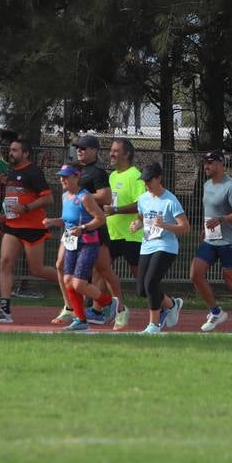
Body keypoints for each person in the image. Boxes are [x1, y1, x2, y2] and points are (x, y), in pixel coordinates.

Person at [0, 137, 58, 324]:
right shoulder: (10, 173)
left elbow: (48, 199)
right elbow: (13, 201)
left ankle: (74, 285)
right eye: (10, 150)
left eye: (15, 150)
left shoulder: (34, 172)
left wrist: (26, 209)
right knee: (5, 262)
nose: (11, 153)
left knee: (37, 269)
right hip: (13, 226)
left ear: (26, 153)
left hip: (32, 227)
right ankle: (5, 309)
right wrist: (3, 216)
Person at [53, 134, 123, 327]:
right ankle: (73, 308)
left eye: (84, 148)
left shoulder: (97, 172)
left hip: (92, 229)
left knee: (103, 270)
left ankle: (116, 308)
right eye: (78, 148)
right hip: (72, 230)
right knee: (63, 268)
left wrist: (82, 195)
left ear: (94, 150)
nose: (80, 150)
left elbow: (106, 197)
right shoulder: (76, 168)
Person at [43, 164, 117, 332]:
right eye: (61, 176)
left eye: (66, 176)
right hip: (71, 243)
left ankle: (108, 303)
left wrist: (83, 228)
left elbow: (100, 219)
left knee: (78, 284)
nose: (63, 179)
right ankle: (81, 320)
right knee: (68, 281)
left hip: (88, 243)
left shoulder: (85, 197)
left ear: (77, 177)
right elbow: (68, 219)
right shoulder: (64, 197)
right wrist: (53, 221)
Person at [190, 150, 232, 333]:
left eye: (210, 163)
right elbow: (210, 211)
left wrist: (222, 220)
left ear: (220, 164)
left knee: (231, 281)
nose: (206, 166)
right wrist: (206, 229)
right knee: (195, 273)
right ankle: (216, 311)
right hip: (211, 239)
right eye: (205, 163)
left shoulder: (230, 186)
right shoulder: (207, 184)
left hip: (228, 240)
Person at [131, 162, 187, 334]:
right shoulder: (143, 199)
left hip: (166, 246)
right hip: (147, 245)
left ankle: (154, 325)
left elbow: (185, 228)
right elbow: (142, 218)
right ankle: (172, 304)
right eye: (144, 181)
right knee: (142, 290)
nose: (146, 184)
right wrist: (137, 225)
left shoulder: (170, 201)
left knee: (150, 283)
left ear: (159, 178)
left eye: (149, 180)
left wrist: (166, 226)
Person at [105, 137, 146, 329]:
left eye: (115, 150)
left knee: (142, 279)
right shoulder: (112, 176)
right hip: (112, 233)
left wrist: (117, 210)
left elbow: (141, 204)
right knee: (102, 269)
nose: (111, 154)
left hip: (132, 235)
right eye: (111, 150)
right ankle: (116, 308)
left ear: (127, 154)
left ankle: (166, 305)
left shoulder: (135, 175)